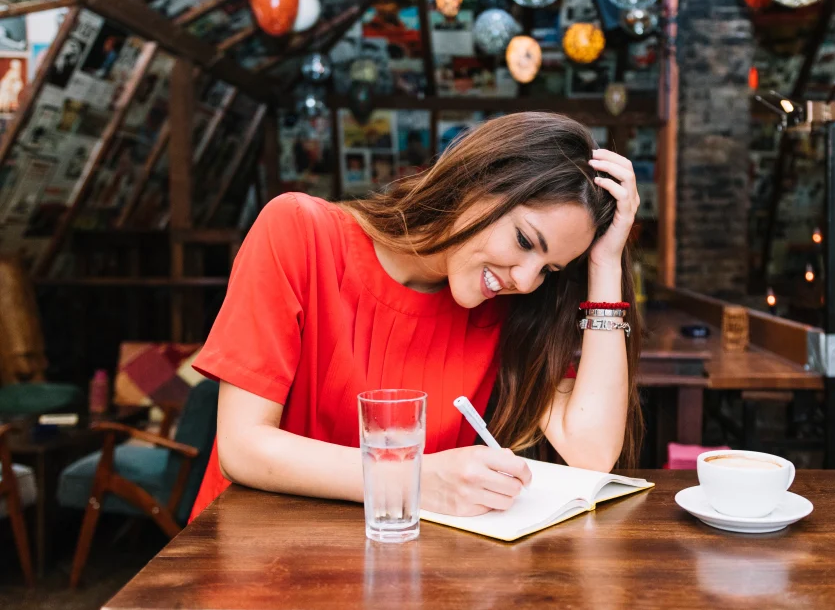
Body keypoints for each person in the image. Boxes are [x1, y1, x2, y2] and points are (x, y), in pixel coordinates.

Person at [190, 112, 643, 520]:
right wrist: (415, 477)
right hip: (253, 563)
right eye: (525, 241)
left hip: (396, 574)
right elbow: (242, 447)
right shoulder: (299, 232)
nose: (526, 281)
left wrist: (605, 264)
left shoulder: (507, 312)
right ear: (475, 183)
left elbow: (591, 451)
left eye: (550, 269)